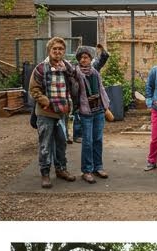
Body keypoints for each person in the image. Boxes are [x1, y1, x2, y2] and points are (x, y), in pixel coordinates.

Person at [29, 39, 78, 188]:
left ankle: (61, 169)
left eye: (61, 49)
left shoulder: (68, 68)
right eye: (54, 49)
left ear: (64, 51)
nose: (58, 51)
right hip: (46, 113)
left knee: (61, 143)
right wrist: (45, 101)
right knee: (45, 144)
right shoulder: (40, 69)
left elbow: (74, 85)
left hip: (62, 113)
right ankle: (45, 173)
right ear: (49, 50)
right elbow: (34, 89)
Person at [73, 45, 113, 184]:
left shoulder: (94, 70)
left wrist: (103, 50)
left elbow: (104, 58)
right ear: (78, 59)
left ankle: (98, 167)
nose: (84, 60)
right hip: (85, 112)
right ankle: (87, 170)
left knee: (98, 140)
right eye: (82, 57)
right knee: (88, 142)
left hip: (99, 110)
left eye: (87, 57)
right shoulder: (75, 72)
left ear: (91, 59)